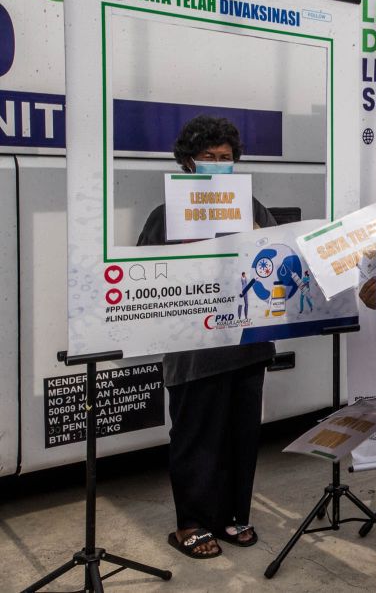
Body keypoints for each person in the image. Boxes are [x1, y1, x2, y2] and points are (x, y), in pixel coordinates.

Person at [137, 115, 276, 559]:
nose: (220, 165)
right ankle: (192, 524)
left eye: (227, 158)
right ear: (186, 163)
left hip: (245, 347)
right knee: (196, 438)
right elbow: (148, 280)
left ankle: (234, 516)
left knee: (241, 437)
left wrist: (260, 241)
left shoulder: (252, 209)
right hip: (194, 353)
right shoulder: (165, 215)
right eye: (208, 158)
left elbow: (275, 260)